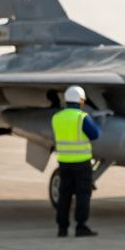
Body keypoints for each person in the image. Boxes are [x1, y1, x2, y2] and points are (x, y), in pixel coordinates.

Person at [52, 85, 101, 237]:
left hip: (64, 162)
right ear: (80, 101)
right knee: (83, 195)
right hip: (82, 162)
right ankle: (81, 226)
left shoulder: (57, 117)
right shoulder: (82, 117)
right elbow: (95, 135)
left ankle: (62, 228)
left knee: (64, 195)